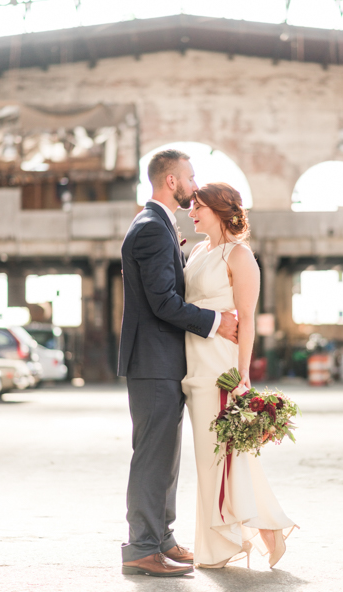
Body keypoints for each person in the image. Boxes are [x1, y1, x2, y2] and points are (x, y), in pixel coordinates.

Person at [117, 149, 239, 577]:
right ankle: (141, 549)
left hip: (163, 360)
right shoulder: (152, 228)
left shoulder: (159, 225)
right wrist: (216, 322)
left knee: (165, 456)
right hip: (153, 361)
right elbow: (164, 302)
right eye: (190, 176)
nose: (194, 183)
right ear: (172, 182)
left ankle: (161, 539)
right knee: (152, 455)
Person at [182, 183, 295, 569]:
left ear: (219, 210)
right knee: (214, 456)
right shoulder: (197, 250)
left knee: (219, 456)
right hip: (193, 363)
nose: (191, 213)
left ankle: (221, 544)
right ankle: (262, 530)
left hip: (220, 368)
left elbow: (246, 320)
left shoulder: (240, 255)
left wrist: (243, 374)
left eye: (198, 207)